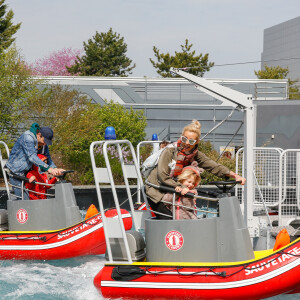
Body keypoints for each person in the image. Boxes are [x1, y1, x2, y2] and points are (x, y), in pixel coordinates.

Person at [145, 119, 246, 219]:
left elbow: (213, 166)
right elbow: (162, 176)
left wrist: (234, 175)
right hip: (156, 190)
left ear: (197, 142)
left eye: (191, 141)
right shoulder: (170, 151)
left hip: (174, 190)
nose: (187, 143)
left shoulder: (195, 154)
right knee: (170, 220)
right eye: (184, 139)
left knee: (185, 216)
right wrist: (181, 186)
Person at [6, 123, 64, 200]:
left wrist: (55, 169)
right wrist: (49, 169)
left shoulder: (43, 144)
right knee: (24, 200)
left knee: (33, 198)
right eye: (45, 140)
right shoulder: (28, 137)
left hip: (27, 172)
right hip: (16, 171)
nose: (45, 143)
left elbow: (48, 158)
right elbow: (32, 157)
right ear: (39, 135)